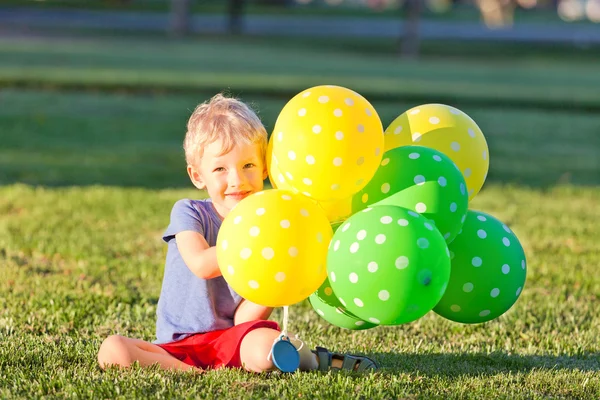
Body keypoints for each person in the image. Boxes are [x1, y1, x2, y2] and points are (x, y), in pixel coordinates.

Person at [97, 93, 378, 374]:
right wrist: (262, 244)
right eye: (220, 168)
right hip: (176, 344)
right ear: (197, 176)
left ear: (265, 168)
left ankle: (318, 360)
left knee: (267, 352)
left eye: (248, 166)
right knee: (113, 349)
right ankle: (190, 372)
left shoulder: (274, 220)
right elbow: (201, 265)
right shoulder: (190, 212)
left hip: (234, 340)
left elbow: (242, 320)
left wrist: (283, 264)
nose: (237, 180)